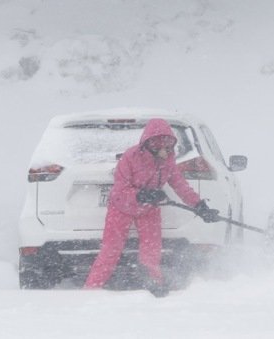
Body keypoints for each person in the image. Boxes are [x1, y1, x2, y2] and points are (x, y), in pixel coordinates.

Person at [84, 118, 220, 296]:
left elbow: (180, 186)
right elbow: (120, 189)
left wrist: (200, 206)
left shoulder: (169, 161)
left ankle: (154, 283)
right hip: (121, 208)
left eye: (168, 146)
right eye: (159, 145)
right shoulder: (130, 157)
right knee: (110, 250)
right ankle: (91, 289)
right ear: (148, 143)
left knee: (151, 250)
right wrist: (142, 194)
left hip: (149, 209)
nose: (164, 150)